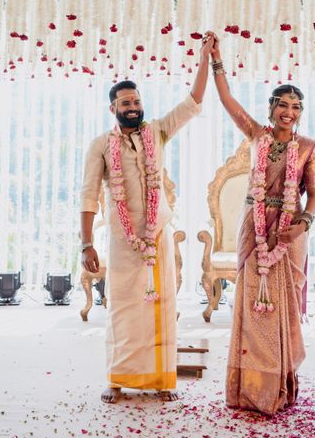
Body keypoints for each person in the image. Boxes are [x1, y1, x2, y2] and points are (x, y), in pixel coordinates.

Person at [79, 35, 214, 404]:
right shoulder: (100, 146)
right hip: (124, 240)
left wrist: (204, 59)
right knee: (123, 308)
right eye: (126, 103)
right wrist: (86, 243)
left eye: (137, 101)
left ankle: (161, 381)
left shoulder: (157, 132)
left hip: (158, 237)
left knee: (161, 307)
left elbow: (193, 103)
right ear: (113, 109)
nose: (134, 107)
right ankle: (118, 379)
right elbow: (89, 195)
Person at [205, 31, 315, 416]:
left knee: (280, 308)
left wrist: (302, 222)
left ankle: (277, 387)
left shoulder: (307, 149)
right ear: (271, 108)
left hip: (288, 230)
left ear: (301, 113)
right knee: (252, 304)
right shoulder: (256, 135)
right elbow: (227, 101)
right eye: (283, 105)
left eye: (296, 106)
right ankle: (247, 389)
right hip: (252, 226)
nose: (289, 112)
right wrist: (215, 59)